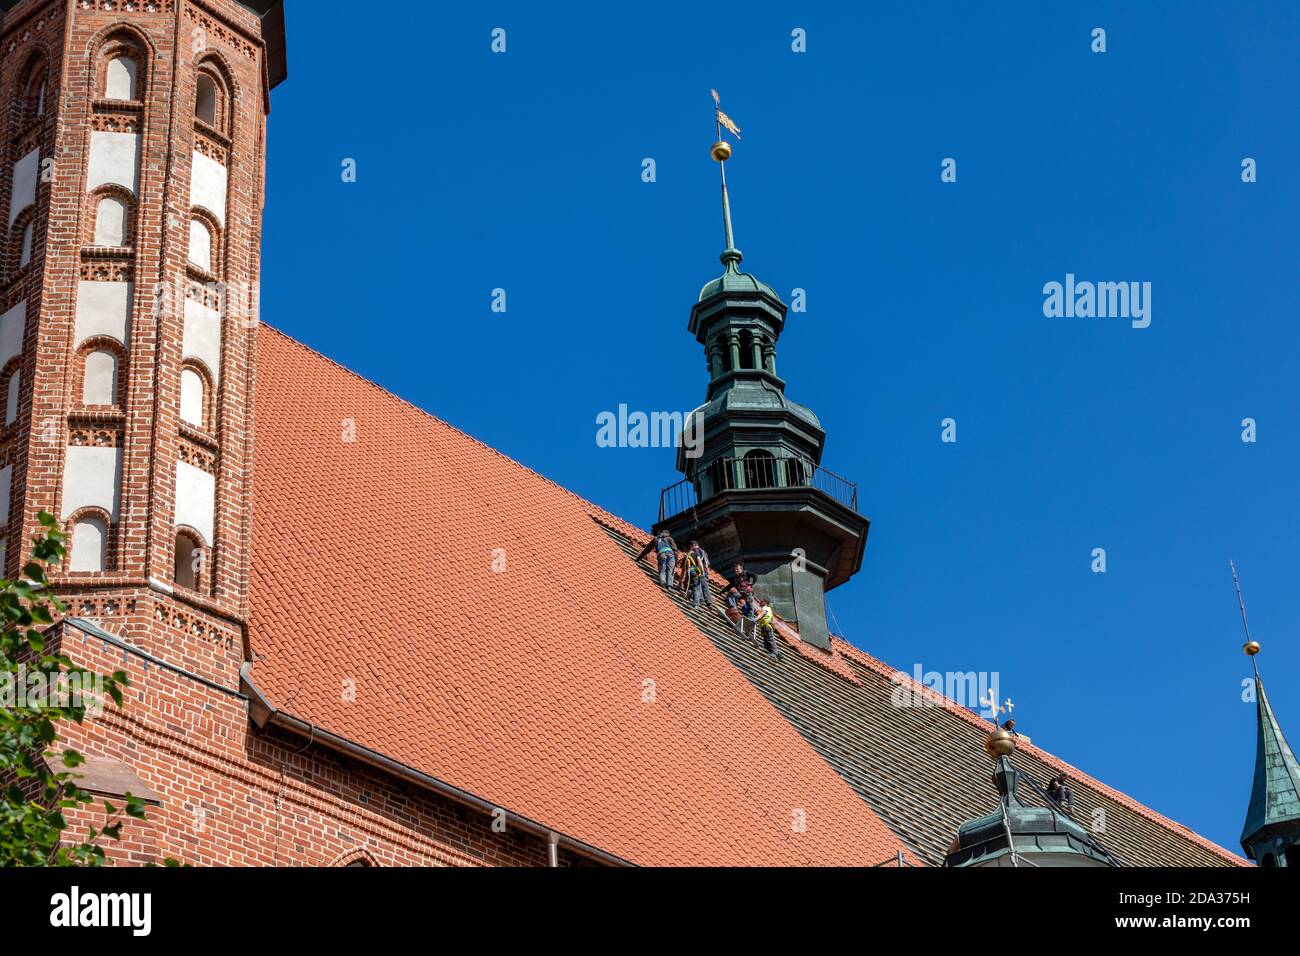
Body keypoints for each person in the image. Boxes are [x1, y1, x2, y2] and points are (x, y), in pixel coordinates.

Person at [688, 541, 713, 607]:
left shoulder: (695, 551)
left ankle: (700, 600)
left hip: (699, 571)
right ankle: (708, 602)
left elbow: (699, 562)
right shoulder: (703, 552)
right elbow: (707, 563)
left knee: (699, 586)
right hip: (704, 570)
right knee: (704, 586)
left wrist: (701, 571)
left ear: (692, 546)